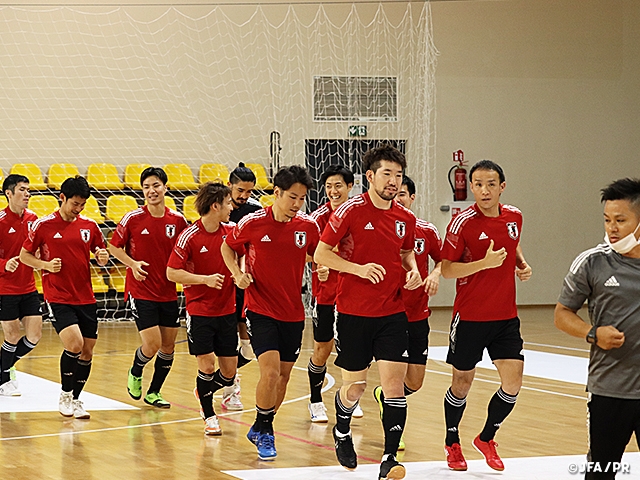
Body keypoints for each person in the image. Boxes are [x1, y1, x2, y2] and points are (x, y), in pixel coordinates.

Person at [314, 144, 422, 480]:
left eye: (398, 175)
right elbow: (321, 254)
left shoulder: (406, 218)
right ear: (370, 177)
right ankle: (342, 429)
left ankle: (389, 458)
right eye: (387, 174)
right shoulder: (349, 212)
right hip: (353, 313)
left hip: (391, 312)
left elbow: (406, 255)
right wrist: (358, 269)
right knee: (356, 388)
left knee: (394, 387)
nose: (393, 181)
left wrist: (414, 269)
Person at [221, 165, 320, 461]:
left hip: (293, 311)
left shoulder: (307, 226)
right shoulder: (253, 222)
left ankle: (261, 424)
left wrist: (322, 266)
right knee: (271, 370)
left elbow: (319, 252)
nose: (297, 204)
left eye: (302, 198)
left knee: (284, 378)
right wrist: (237, 274)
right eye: (292, 197)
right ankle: (265, 431)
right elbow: (228, 248)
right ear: (276, 193)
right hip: (260, 307)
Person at [439, 160, 532, 472]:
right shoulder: (461, 223)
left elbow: (512, 244)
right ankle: (452, 442)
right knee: (462, 383)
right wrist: (484, 264)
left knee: (513, 382)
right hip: (470, 317)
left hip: (505, 317)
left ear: (502, 187)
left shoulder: (514, 217)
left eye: (491, 184)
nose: (484, 190)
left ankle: (486, 437)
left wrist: (521, 263)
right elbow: (448, 269)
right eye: (477, 184)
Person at [555, 178, 640, 480]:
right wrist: (593, 334)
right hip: (609, 392)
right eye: (607, 220)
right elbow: (562, 314)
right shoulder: (592, 262)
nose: (612, 228)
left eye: (621, 220)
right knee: (601, 473)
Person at [20, 175, 109, 419]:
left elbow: (101, 251)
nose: (78, 209)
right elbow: (25, 255)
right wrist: (45, 265)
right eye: (74, 204)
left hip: (86, 297)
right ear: (62, 198)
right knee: (74, 345)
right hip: (58, 296)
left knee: (87, 352)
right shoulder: (43, 225)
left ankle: (77, 398)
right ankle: (65, 394)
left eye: (82, 204)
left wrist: (102, 256)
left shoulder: (90, 226)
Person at [372, 174, 442, 451]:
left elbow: (443, 259)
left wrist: (435, 274)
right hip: (388, 315)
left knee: (415, 382)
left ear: (412, 198)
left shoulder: (426, 230)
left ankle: (382, 397)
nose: (398, 198)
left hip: (418, 314)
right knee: (394, 384)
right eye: (395, 192)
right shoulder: (380, 227)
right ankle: (394, 434)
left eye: (403, 194)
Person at [109, 167, 188, 408]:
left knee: (168, 346)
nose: (151, 191)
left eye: (156, 185)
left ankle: (154, 392)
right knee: (152, 344)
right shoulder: (132, 218)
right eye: (146, 187)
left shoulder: (178, 220)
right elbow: (114, 247)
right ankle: (136, 369)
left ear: (166, 188)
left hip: (167, 291)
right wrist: (132, 264)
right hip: (141, 290)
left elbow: (187, 250)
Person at [167, 182, 237, 436]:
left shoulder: (231, 232)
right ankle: (209, 415)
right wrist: (204, 279)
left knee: (229, 374)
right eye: (228, 203)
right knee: (207, 367)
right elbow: (171, 272)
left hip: (227, 310)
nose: (232, 207)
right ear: (215, 205)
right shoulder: (189, 235)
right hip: (200, 312)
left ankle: (203, 390)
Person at [307, 164, 358, 423]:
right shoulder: (317, 218)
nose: (333, 191)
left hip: (354, 295)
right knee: (322, 349)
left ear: (350, 186)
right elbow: (305, 251)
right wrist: (318, 265)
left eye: (338, 185)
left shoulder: (360, 214)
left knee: (354, 350)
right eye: (328, 186)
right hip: (326, 294)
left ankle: (350, 396)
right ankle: (316, 400)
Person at [222, 162, 263, 411]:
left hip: (246, 283)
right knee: (227, 343)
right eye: (240, 190)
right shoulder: (218, 208)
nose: (244, 196)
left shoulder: (255, 210)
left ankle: (217, 380)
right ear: (229, 186)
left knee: (249, 349)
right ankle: (230, 390)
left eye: (248, 191)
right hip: (223, 283)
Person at [0, 175, 42, 396]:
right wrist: (5, 264)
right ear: (9, 193)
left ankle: (2, 366)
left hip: (28, 287)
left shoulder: (33, 219)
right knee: (12, 336)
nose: (27, 194)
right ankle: (4, 379)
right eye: (22, 190)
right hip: (5, 289)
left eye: (29, 190)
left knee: (34, 335)